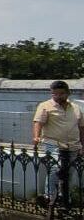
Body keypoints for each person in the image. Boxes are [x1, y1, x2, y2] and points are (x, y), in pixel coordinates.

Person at [32, 80, 84, 209]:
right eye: (55, 94)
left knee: (69, 172)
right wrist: (36, 137)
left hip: (73, 145)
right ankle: (49, 197)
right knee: (56, 168)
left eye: (61, 94)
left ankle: (65, 198)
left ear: (67, 93)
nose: (58, 96)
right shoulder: (45, 106)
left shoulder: (76, 108)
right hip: (53, 143)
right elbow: (38, 122)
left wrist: (83, 144)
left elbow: (81, 127)